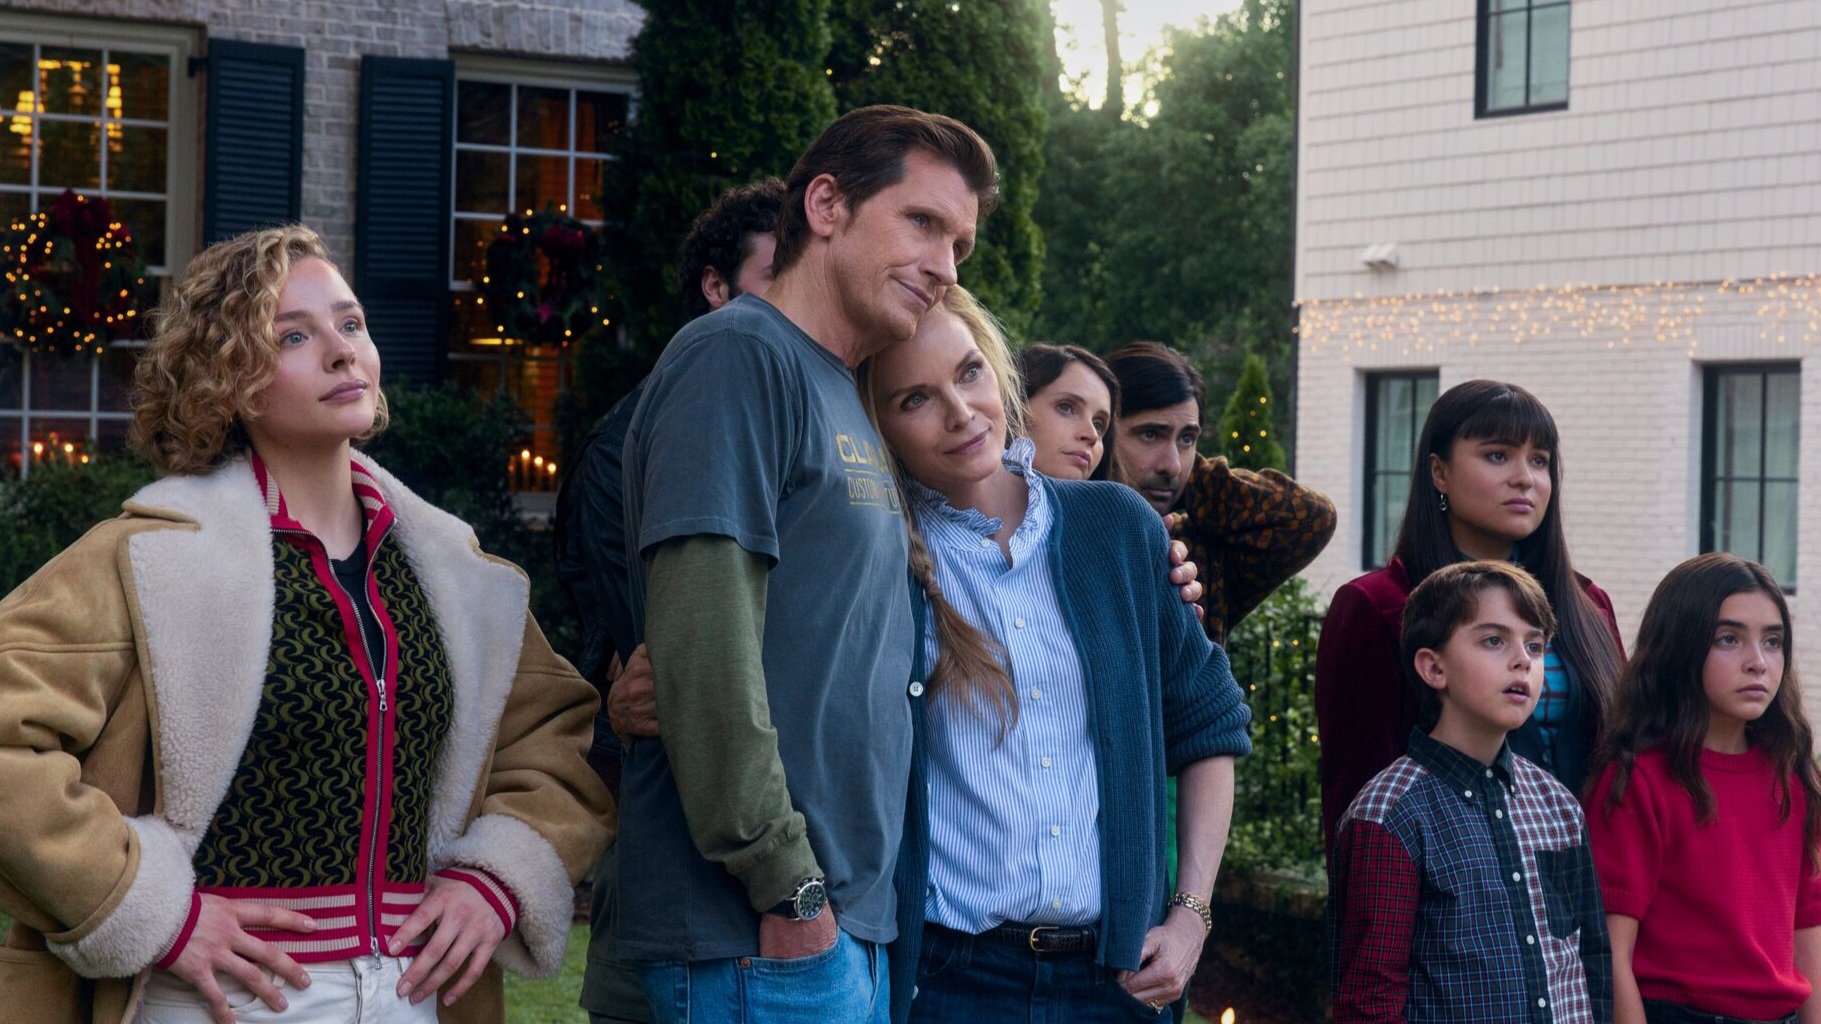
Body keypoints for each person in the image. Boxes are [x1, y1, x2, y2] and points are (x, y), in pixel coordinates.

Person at [0, 225, 612, 1024]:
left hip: (414, 996)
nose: (340, 351)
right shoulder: (148, 560)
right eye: (293, 335)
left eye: (350, 324)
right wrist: (148, 909)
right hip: (220, 999)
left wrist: (496, 878)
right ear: (229, 379)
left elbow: (557, 740)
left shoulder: (455, 573)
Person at [615, 105, 998, 1024]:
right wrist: (786, 887)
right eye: (921, 223)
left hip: (834, 929)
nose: (946, 267)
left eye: (958, 245)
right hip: (757, 934)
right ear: (826, 205)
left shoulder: (840, 385)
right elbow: (705, 645)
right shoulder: (737, 357)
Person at [862, 287, 1252, 1023]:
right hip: (950, 982)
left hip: (1118, 977)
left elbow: (1210, 723)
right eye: (915, 399)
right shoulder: (875, 554)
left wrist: (1191, 914)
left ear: (1000, 372)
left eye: (969, 373)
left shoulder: (1117, 527)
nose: (961, 412)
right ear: (876, 424)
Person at [557, 177, 784, 1024]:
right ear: (716, 288)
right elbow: (674, 666)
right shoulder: (631, 442)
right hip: (682, 853)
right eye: (777, 276)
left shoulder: (826, 417)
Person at [1315, 380, 1625, 846]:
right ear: (1439, 472)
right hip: (1451, 880)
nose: (1525, 478)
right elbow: (1356, 793)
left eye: (1539, 460)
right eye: (1498, 455)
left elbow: (1624, 762)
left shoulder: (1589, 604)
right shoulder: (1378, 606)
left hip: (1588, 878)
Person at [1328, 560, 1611, 1023]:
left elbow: (1591, 960)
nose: (1522, 660)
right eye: (1494, 640)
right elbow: (1369, 1002)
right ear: (1433, 667)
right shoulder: (1389, 815)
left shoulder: (1558, 805)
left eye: (1535, 645)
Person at [1585, 553, 1821, 1024]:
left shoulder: (1792, 776)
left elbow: (1808, 934)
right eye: (1728, 639)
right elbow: (1610, 953)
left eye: (1773, 641)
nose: (1758, 663)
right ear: (1680, 645)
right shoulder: (1638, 779)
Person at [1104, 341, 1336, 642]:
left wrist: (1196, 480)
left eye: (1186, 439)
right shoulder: (1055, 533)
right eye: (1150, 435)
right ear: (1102, 431)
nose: (1173, 465)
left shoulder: (1199, 550)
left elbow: (1313, 516)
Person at [1015, 342, 1121, 481]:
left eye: (1098, 425)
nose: (1092, 435)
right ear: (1016, 408)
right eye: (1065, 408)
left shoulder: (1122, 496)